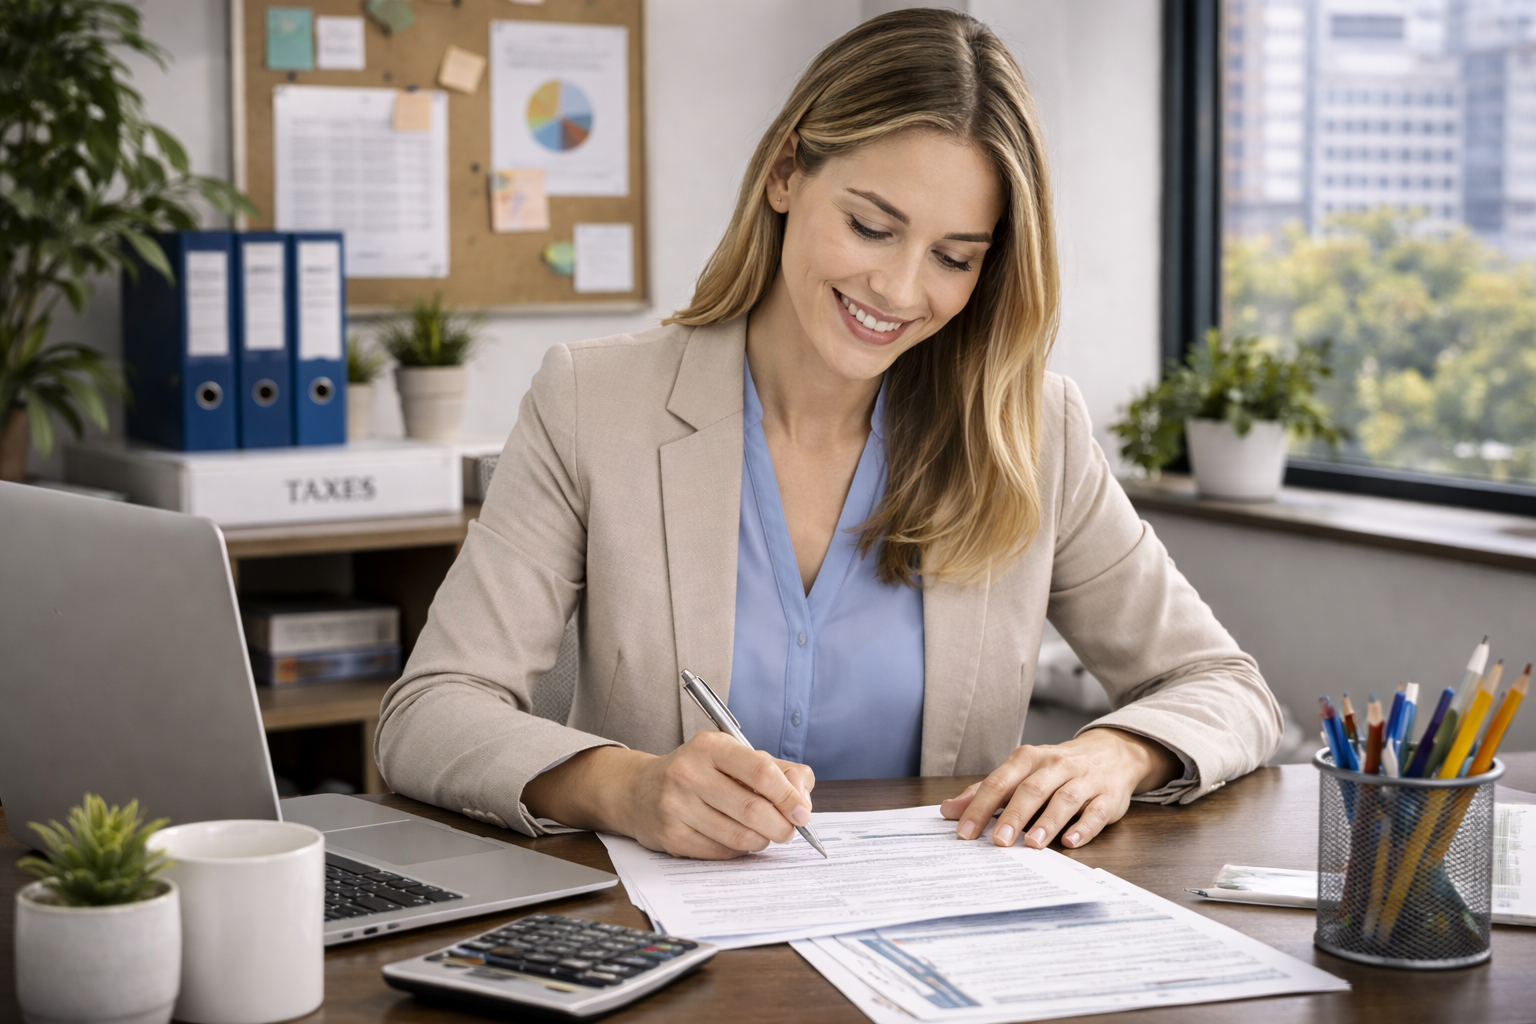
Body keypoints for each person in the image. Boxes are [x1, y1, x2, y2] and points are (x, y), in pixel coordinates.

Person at [378, 9, 1281, 860]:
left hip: (934, 953)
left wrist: (1118, 753)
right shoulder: (593, 402)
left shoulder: (1033, 432)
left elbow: (1226, 689)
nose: (897, 288)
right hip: (666, 947)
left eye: (953, 257)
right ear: (785, 172)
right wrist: (625, 785)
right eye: (870, 226)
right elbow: (429, 713)